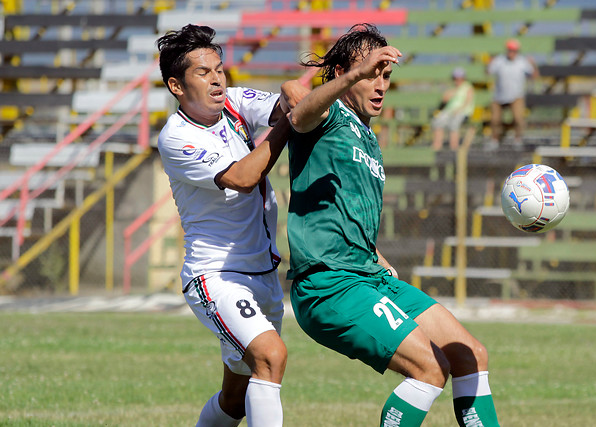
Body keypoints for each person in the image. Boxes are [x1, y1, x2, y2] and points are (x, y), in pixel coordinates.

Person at [285, 23, 501, 427]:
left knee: (470, 353)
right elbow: (298, 109)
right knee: (429, 368)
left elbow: (346, 211)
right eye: (372, 74)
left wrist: (375, 252)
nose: (381, 84)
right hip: (330, 285)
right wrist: (353, 74)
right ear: (343, 75)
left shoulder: (367, 136)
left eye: (386, 75)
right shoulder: (328, 116)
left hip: (367, 276)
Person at [155, 24, 307, 427]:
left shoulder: (235, 103)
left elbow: (284, 104)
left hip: (264, 274)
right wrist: (288, 123)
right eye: (203, 72)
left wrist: (292, 94)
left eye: (219, 69)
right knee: (271, 356)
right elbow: (242, 178)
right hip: (216, 276)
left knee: (236, 399)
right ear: (176, 85)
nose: (217, 78)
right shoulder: (176, 138)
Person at [486, 38, 538, 149]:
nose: (511, 53)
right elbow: (488, 71)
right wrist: (488, 63)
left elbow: (533, 75)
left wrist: (533, 64)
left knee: (518, 119)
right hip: (499, 96)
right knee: (495, 120)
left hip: (516, 96)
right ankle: (494, 140)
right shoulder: (499, 60)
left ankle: (517, 139)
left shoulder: (522, 62)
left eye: (514, 50)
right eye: (509, 50)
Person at [431, 67, 475, 151]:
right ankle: (437, 146)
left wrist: (458, 110)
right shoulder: (451, 88)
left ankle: (453, 147)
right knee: (438, 121)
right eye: (455, 78)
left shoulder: (467, 87)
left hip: (462, 112)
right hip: (449, 111)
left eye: (459, 78)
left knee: (454, 123)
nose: (457, 80)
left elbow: (468, 102)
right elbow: (444, 100)